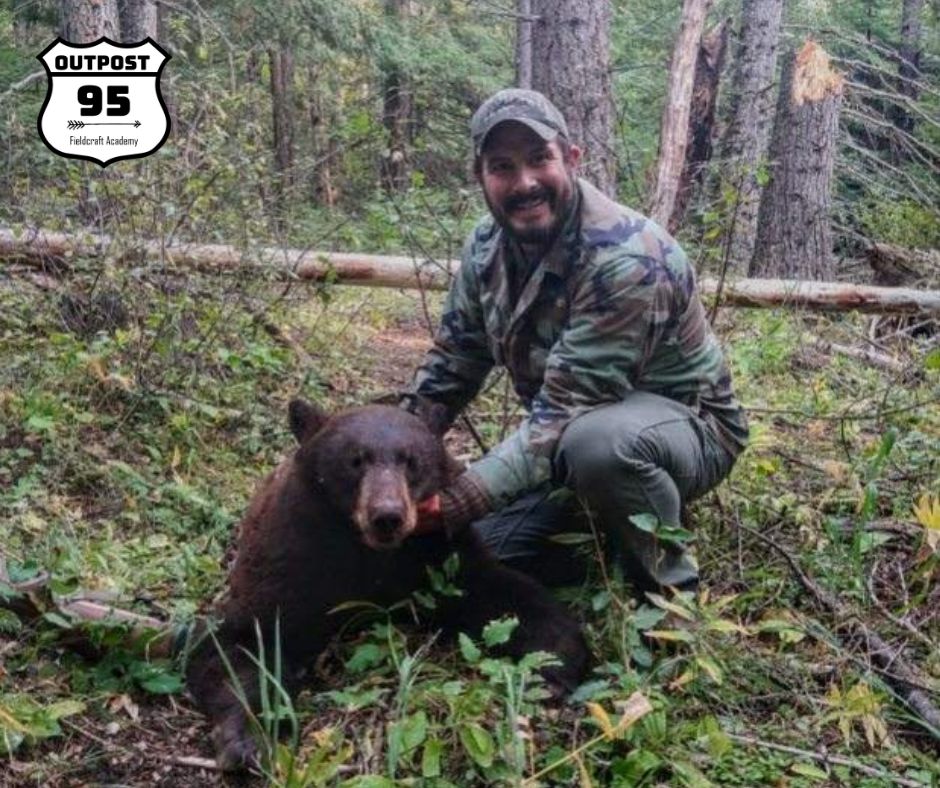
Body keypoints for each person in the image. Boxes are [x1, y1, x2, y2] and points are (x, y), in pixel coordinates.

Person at [404, 88, 748, 594]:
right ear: (480, 177)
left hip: (688, 429)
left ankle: (670, 596)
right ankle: (601, 530)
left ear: (571, 158)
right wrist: (395, 449)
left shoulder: (626, 257)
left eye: (540, 159)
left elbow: (566, 409)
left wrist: (459, 500)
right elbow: (455, 360)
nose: (524, 183)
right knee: (468, 561)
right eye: (502, 167)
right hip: (566, 437)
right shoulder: (485, 245)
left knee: (601, 447)